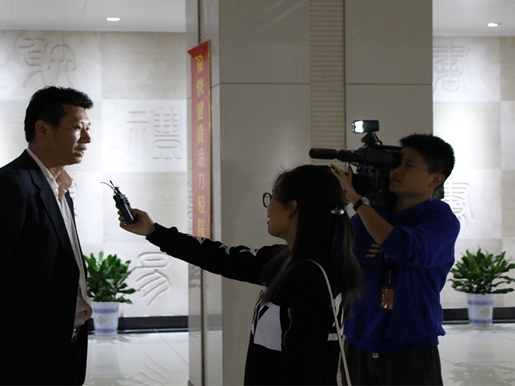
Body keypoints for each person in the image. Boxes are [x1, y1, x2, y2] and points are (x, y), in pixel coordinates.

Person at [120, 165, 362, 385]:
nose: (268, 207)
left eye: (272, 197)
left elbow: (303, 370)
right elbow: (222, 257)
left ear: (292, 207)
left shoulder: (310, 276)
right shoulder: (285, 259)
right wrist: (154, 231)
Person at [0, 86, 94, 385]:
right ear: (43, 129)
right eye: (78, 128)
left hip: (64, 345)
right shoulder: (11, 185)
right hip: (19, 352)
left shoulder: (60, 187)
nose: (87, 139)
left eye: (88, 129)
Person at [330, 133, 460, 385]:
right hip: (359, 337)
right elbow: (338, 254)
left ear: (435, 179)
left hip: (410, 343)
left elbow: (402, 247)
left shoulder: (440, 220)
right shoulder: (372, 214)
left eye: (408, 166)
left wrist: (358, 201)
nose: (397, 171)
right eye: (397, 164)